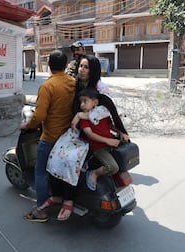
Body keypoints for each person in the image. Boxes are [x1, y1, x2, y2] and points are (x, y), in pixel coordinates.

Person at [21, 50, 76, 222]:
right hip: (68, 137)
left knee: (40, 172)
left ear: (49, 66)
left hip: (51, 138)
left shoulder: (47, 86)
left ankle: (40, 210)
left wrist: (26, 125)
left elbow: (39, 116)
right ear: (65, 65)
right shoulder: (73, 82)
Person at [75, 87, 121, 190]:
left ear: (95, 102)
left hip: (110, 144)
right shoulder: (85, 119)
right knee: (112, 168)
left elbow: (110, 125)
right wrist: (107, 140)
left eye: (85, 101)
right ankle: (94, 173)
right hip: (99, 148)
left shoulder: (101, 114)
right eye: (81, 102)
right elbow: (89, 134)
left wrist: (120, 132)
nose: (82, 105)